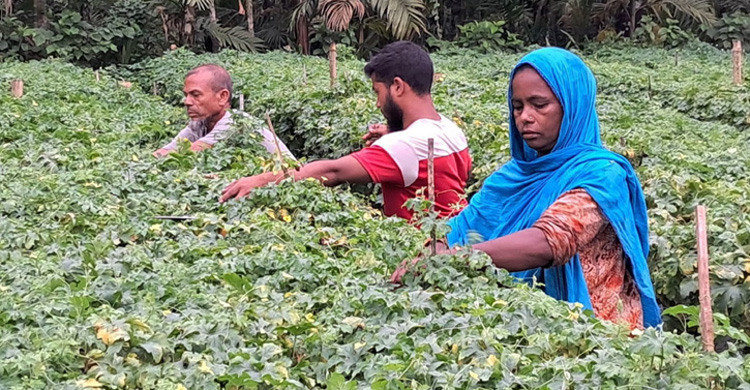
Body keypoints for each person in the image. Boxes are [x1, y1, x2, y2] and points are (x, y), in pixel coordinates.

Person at [391, 47, 661, 330]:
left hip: (598, 339)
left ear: (572, 105)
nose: (525, 117)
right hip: (525, 328)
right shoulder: (511, 177)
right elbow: (461, 227)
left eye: (539, 105)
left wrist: (456, 259)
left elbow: (549, 241)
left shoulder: (603, 174)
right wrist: (433, 254)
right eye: (518, 107)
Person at [220, 41, 472, 222]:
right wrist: (390, 134)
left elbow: (333, 171)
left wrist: (261, 181)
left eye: (378, 92)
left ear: (397, 87)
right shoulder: (449, 129)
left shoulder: (404, 145)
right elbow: (424, 160)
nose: (377, 103)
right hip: (457, 240)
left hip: (421, 256)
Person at [153, 64, 294, 159]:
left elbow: (189, 153)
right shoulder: (199, 123)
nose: (187, 102)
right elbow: (168, 150)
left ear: (222, 97)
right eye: (186, 95)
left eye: (195, 95)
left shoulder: (235, 123)